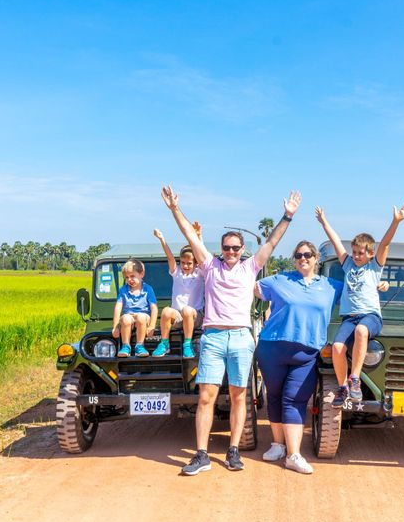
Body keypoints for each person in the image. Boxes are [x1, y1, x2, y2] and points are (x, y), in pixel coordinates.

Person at [162, 185, 300, 475]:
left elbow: (272, 243)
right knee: (206, 397)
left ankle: (233, 450)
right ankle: (201, 454)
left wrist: (287, 216)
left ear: (242, 250)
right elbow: (190, 235)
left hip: (240, 337)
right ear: (221, 249)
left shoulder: (251, 268)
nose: (231, 252)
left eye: (236, 248)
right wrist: (174, 209)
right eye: (227, 248)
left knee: (239, 396)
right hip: (213, 337)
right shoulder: (209, 266)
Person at [254, 240, 342, 474]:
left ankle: (293, 455)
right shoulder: (278, 280)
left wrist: (379, 284)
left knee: (294, 399)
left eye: (308, 254)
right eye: (299, 255)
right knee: (274, 395)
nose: (303, 258)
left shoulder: (331, 286)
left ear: (316, 258)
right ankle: (277, 445)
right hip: (272, 347)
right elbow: (246, 286)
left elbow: (357, 291)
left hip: (307, 353)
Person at [316, 204, 404, 407]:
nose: (356, 256)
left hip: (370, 317)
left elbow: (385, 244)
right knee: (337, 347)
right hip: (349, 318)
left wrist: (396, 221)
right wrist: (324, 222)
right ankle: (343, 387)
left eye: (360, 253)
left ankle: (355, 379)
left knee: (361, 331)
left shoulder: (374, 267)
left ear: (370, 253)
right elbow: (335, 241)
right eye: (354, 252)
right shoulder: (348, 265)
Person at [153, 226, 205, 358]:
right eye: (183, 262)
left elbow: (203, 256)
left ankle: (187, 344)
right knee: (166, 311)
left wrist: (199, 237)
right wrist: (162, 239)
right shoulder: (176, 273)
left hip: (195, 316)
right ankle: (164, 343)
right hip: (178, 316)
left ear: (195, 263)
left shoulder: (199, 274)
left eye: (189, 263)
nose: (185, 266)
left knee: (187, 310)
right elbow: (170, 257)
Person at [111, 258, 158, 358]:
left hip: (144, 316)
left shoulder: (148, 289)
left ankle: (140, 346)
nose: (129, 280)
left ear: (141, 274)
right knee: (125, 318)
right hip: (129, 315)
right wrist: (115, 327)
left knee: (141, 317)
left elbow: (154, 308)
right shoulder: (123, 290)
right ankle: (126, 346)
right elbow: (118, 307)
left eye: (132, 276)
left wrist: (152, 326)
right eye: (126, 277)